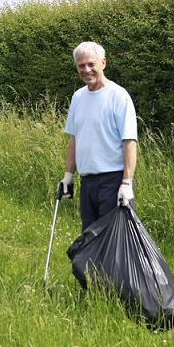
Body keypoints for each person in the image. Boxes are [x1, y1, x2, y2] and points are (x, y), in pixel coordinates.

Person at [60, 41, 138, 231]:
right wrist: (68, 176)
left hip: (113, 182)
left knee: (113, 244)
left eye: (91, 64)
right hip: (87, 183)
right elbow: (74, 139)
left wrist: (127, 183)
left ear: (103, 63)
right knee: (90, 239)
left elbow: (129, 141)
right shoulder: (78, 97)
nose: (86, 70)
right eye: (81, 65)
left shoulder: (118, 96)